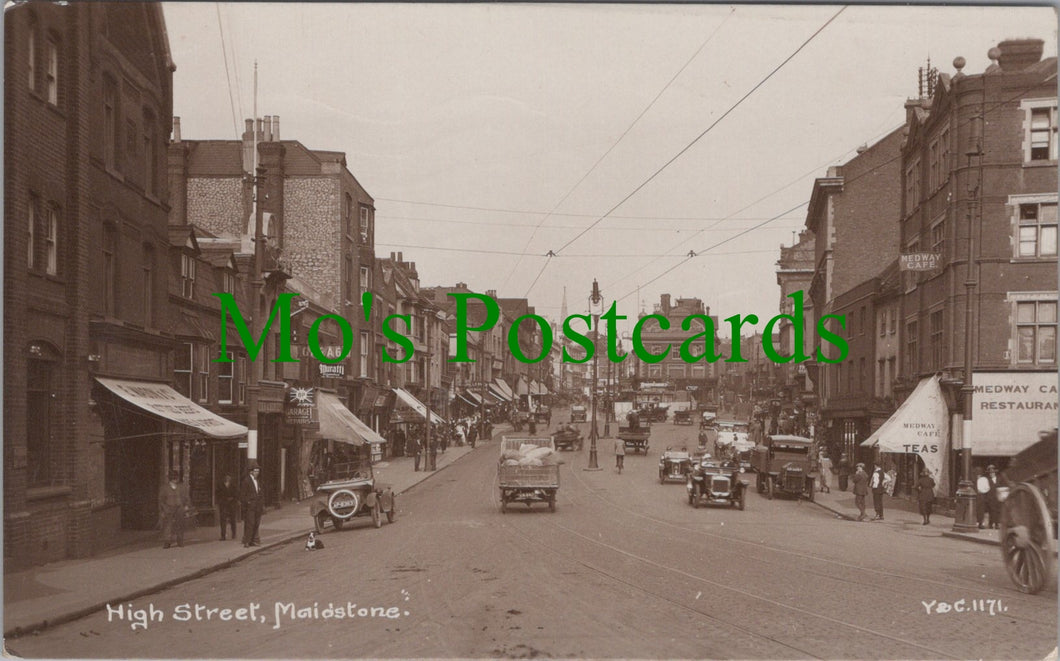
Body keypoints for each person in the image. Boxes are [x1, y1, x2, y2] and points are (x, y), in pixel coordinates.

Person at [159, 470, 191, 549]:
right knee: (167, 525)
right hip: (169, 507)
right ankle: (167, 541)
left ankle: (180, 540)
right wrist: (163, 510)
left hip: (179, 507)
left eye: (175, 478)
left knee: (180, 524)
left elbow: (186, 497)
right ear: (170, 478)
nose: (174, 480)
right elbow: (161, 500)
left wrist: (186, 506)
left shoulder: (182, 487)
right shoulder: (164, 488)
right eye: (173, 478)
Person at [241, 463, 264, 547]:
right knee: (250, 523)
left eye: (258, 471)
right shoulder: (246, 481)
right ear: (251, 472)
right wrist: (248, 502)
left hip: (257, 506)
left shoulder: (257, 481)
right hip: (250, 507)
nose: (257, 473)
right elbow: (243, 495)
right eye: (255, 471)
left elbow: (260, 492)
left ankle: (253, 540)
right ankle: (247, 541)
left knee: (256, 523)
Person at [216, 473, 239, 541]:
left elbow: (236, 494)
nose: (227, 478)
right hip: (223, 504)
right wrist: (221, 500)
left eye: (228, 477)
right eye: (226, 477)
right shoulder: (220, 485)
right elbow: (218, 493)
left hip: (232, 504)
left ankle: (234, 534)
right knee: (223, 519)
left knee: (233, 519)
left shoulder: (233, 485)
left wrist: (234, 500)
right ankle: (223, 535)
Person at [984, 465, 1004, 529]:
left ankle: (997, 524)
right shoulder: (987, 480)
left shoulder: (999, 479)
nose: (991, 474)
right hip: (990, 498)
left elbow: (1001, 487)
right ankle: (991, 524)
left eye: (992, 472)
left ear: (995, 473)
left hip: (998, 497)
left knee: (998, 511)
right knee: (991, 511)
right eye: (990, 473)